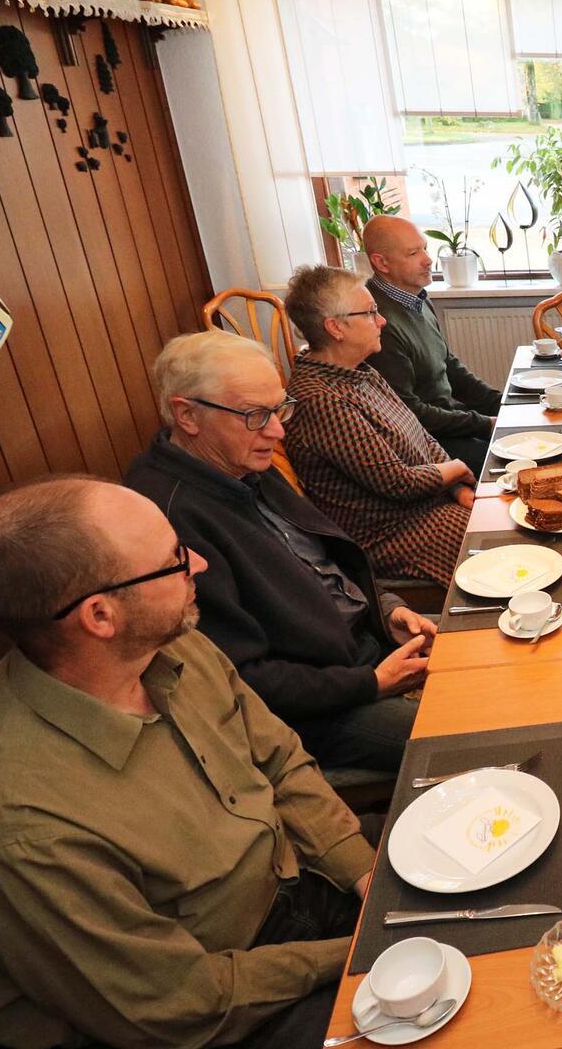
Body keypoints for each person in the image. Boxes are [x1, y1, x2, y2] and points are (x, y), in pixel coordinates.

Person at [0, 477, 373, 1049]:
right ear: (100, 615)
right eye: (173, 559)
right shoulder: (14, 828)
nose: (198, 563)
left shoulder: (165, 642)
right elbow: (176, 1006)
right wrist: (353, 954)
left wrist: (359, 871)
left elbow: (278, 761)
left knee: (488, 897)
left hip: (293, 883)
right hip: (211, 1012)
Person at [125, 331, 432, 774]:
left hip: (367, 649)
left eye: (279, 408)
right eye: (255, 415)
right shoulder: (168, 519)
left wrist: (389, 609)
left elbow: (328, 563)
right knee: (477, 733)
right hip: (325, 708)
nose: (277, 429)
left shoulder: (240, 461)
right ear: (187, 414)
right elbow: (240, 679)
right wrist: (370, 683)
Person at [282, 264, 476, 588]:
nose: (382, 320)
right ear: (335, 328)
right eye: (371, 313)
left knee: (515, 529)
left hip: (429, 508)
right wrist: (457, 470)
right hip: (396, 535)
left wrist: (457, 487)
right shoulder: (319, 400)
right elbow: (399, 484)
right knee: (509, 557)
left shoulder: (360, 372)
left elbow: (422, 436)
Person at [360, 215, 503, 464]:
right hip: (427, 443)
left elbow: (449, 367)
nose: (428, 260)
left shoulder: (419, 299)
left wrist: (501, 404)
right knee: (523, 459)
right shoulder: (378, 322)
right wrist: (485, 424)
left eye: (425, 248)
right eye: (413, 253)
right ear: (381, 262)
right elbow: (408, 412)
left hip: (451, 423)